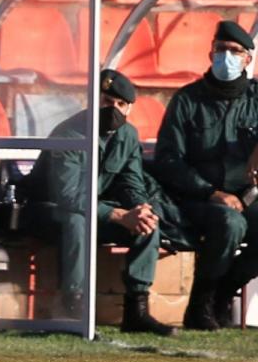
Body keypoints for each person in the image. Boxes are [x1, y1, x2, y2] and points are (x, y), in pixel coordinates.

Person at [20, 70, 177, 335]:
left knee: (149, 222)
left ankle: (136, 311)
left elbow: (132, 182)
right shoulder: (69, 134)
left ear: (129, 109)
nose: (113, 109)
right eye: (107, 101)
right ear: (94, 100)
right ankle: (74, 306)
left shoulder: (127, 135)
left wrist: (140, 208)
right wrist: (116, 214)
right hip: (47, 210)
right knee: (77, 219)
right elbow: (67, 194)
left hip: (92, 210)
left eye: (121, 104)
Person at [154, 20, 258, 330]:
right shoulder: (188, 100)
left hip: (247, 194)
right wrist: (211, 193)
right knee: (229, 223)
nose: (226, 57)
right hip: (197, 198)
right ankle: (201, 303)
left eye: (235, 51)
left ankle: (224, 292)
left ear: (248, 59)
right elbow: (168, 160)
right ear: (210, 53)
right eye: (220, 50)